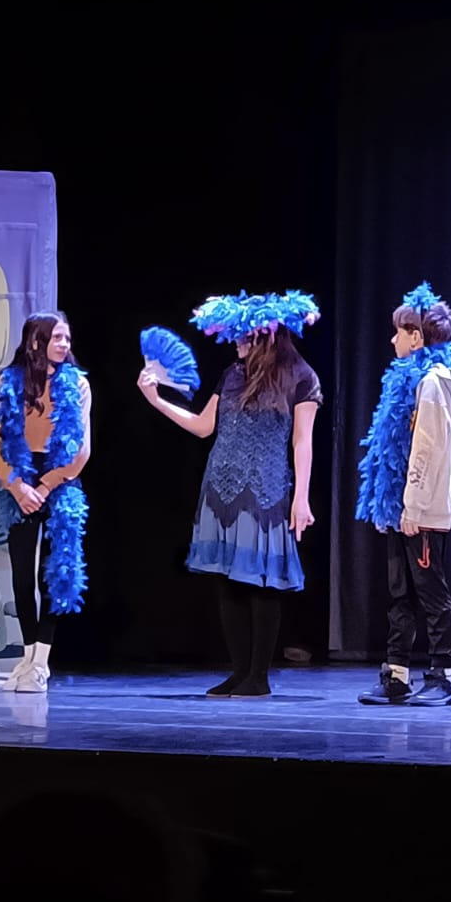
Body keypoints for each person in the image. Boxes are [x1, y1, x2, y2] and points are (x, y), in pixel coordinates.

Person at [139, 290, 321, 699]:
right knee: (228, 581)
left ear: (262, 336)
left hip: (265, 489)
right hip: (221, 486)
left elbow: (302, 440)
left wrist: (302, 497)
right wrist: (156, 400)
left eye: (241, 336)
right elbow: (204, 426)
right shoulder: (233, 373)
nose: (235, 343)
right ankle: (239, 673)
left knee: (261, 582)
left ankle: (259, 676)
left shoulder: (301, 376)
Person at [354, 282, 451, 707]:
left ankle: (441, 675)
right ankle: (397, 673)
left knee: (430, 592)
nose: (392, 340)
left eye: (398, 332)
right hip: (403, 508)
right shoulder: (409, 381)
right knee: (400, 592)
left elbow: (426, 448)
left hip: (423, 508)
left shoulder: (432, 383)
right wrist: (392, 505)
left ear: (416, 338)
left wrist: (413, 506)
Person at [0, 312, 92, 695]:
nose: (65, 345)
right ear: (36, 342)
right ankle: (28, 656)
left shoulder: (77, 385)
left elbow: (81, 450)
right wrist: (18, 487)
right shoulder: (9, 382)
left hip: (59, 477)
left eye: (67, 338)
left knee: (57, 572)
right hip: (22, 476)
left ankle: (41, 663)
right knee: (21, 573)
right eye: (57, 338)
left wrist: (45, 487)